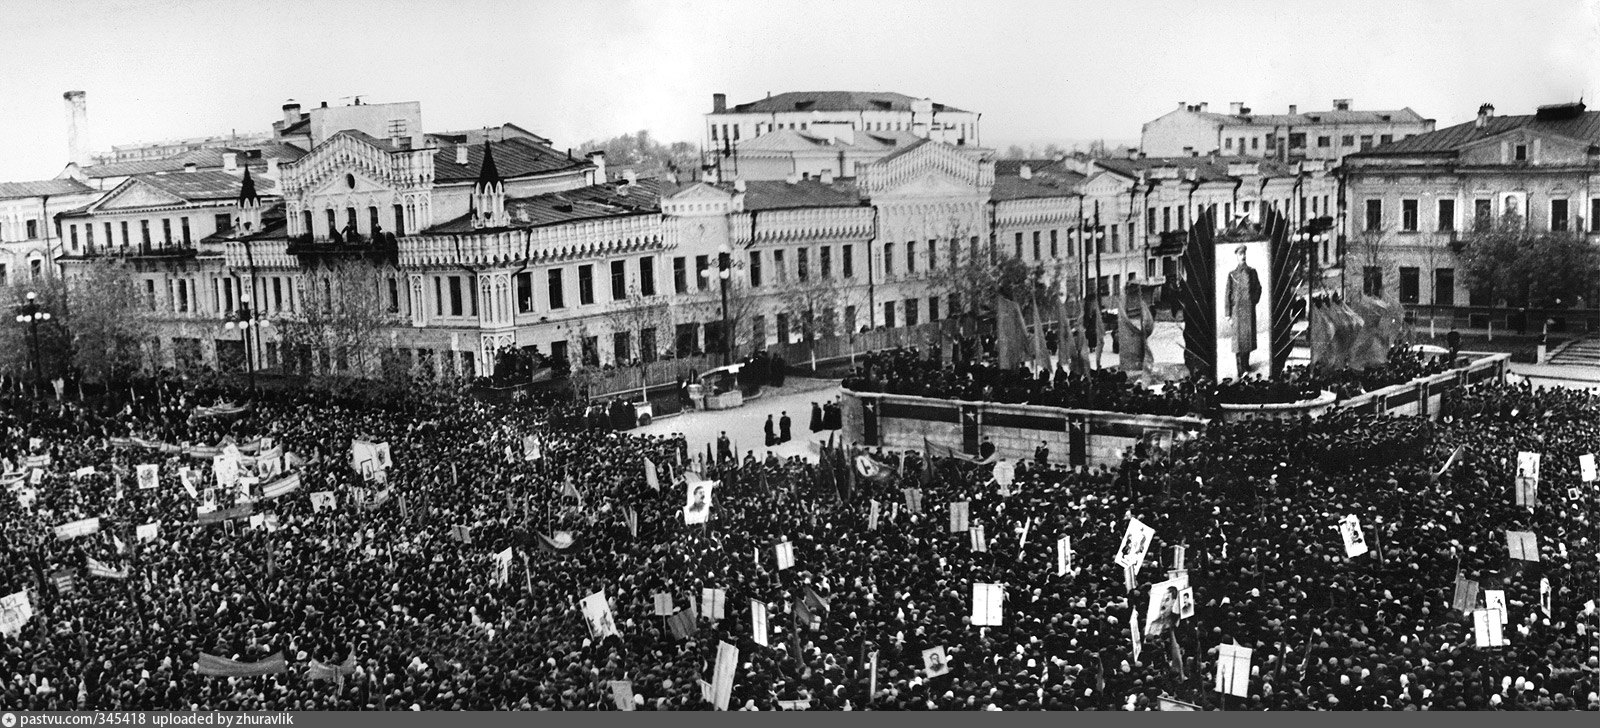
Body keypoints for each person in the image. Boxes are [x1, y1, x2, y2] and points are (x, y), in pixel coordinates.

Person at [1224, 244, 1263, 378]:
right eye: (1240, 254)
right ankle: (1240, 370)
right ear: (1237, 256)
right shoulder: (1232, 274)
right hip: (1236, 312)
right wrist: (1228, 314)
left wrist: (1253, 301)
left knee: (1247, 340)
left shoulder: (1252, 272)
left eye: (1244, 254)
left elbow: (1258, 288)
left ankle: (1246, 365)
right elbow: (1227, 294)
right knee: (1238, 342)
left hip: (1248, 311)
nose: (1243, 256)